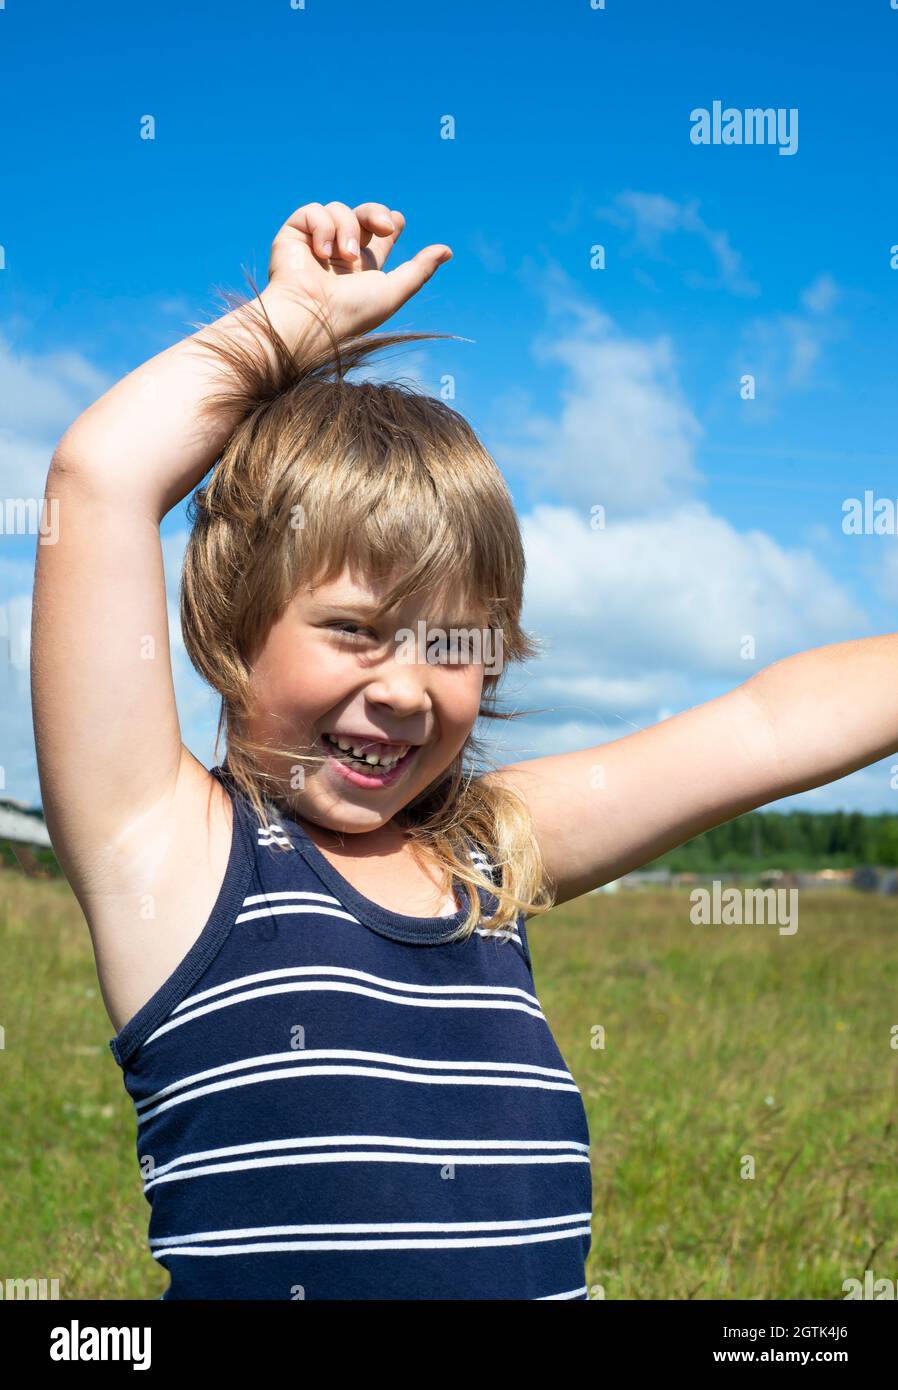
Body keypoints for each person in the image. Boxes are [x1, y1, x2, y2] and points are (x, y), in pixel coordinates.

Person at [31, 200, 898, 1299]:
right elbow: (99, 479)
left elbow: (768, 725)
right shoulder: (172, 853)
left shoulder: (484, 855)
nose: (400, 689)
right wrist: (288, 323)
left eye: (451, 643)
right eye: (350, 628)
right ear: (229, 628)